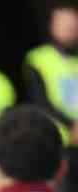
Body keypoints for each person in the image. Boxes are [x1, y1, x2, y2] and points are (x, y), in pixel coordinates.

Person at [24, 4, 78, 138]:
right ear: (51, 25)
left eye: (73, 22)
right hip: (55, 138)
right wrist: (72, 125)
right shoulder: (38, 58)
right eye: (63, 23)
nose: (69, 28)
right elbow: (40, 101)